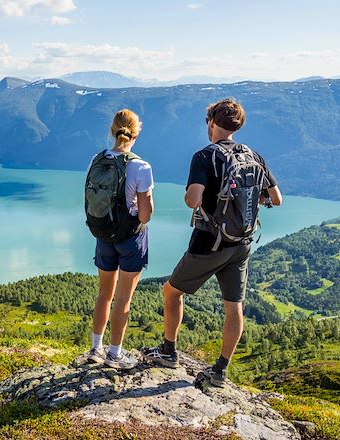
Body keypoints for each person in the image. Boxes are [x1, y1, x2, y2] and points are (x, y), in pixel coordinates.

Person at [142, 98, 282, 386]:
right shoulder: (254, 155)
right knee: (234, 307)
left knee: (171, 291)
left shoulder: (205, 156)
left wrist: (193, 197)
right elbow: (276, 199)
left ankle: (169, 351)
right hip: (242, 243)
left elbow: (193, 199)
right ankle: (220, 370)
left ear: (212, 123)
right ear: (237, 125)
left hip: (209, 242)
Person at [84, 109, 154, 370]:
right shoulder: (140, 166)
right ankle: (115, 354)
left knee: (104, 294)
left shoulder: (97, 159)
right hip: (130, 239)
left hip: (103, 234)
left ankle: (95, 348)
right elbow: (145, 214)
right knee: (124, 298)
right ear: (136, 133)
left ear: (112, 131)